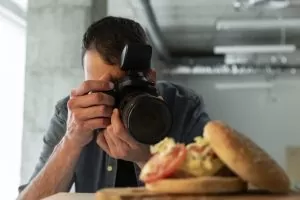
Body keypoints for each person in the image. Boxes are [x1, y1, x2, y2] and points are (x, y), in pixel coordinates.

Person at [17, 16, 210, 200]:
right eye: (101, 90)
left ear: (150, 79)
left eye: (123, 87)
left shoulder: (183, 106)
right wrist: (71, 142)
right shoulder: (71, 114)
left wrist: (148, 160)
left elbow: (215, 193)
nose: (115, 103)